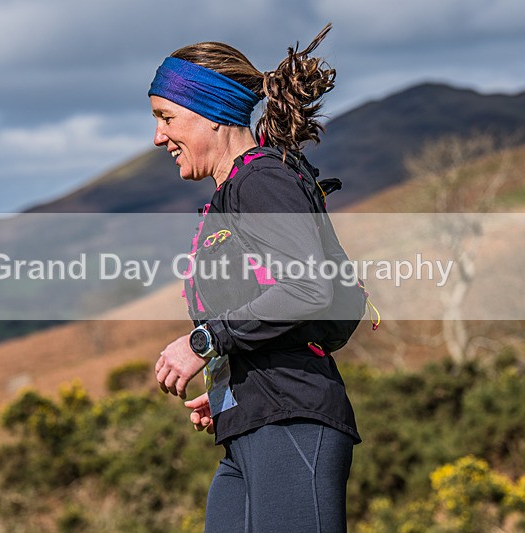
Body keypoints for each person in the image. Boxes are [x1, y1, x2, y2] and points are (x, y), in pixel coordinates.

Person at [151, 24, 361, 533]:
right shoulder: (232, 194)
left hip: (292, 421)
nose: (158, 137)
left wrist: (203, 341)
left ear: (211, 113)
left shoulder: (261, 179)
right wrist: (232, 384)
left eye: (166, 118)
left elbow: (307, 287)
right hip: (251, 426)